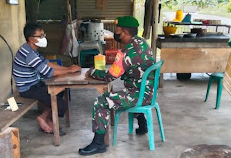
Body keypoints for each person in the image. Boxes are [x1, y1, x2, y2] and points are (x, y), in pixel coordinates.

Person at [79, 16, 154, 156]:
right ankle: (142, 123)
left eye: (117, 31)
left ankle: (98, 143)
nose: (116, 34)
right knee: (123, 91)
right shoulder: (143, 43)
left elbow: (110, 76)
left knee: (101, 102)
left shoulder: (127, 52)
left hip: (138, 95)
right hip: (148, 91)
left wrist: (92, 72)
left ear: (125, 32)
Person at [13, 22, 81, 134]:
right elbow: (48, 72)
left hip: (34, 84)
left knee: (59, 90)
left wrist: (68, 68)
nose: (43, 38)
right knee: (61, 104)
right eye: (40, 36)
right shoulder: (29, 53)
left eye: (43, 35)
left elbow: (48, 64)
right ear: (31, 39)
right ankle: (45, 118)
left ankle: (46, 118)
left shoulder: (32, 50)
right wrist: (69, 70)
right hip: (27, 89)